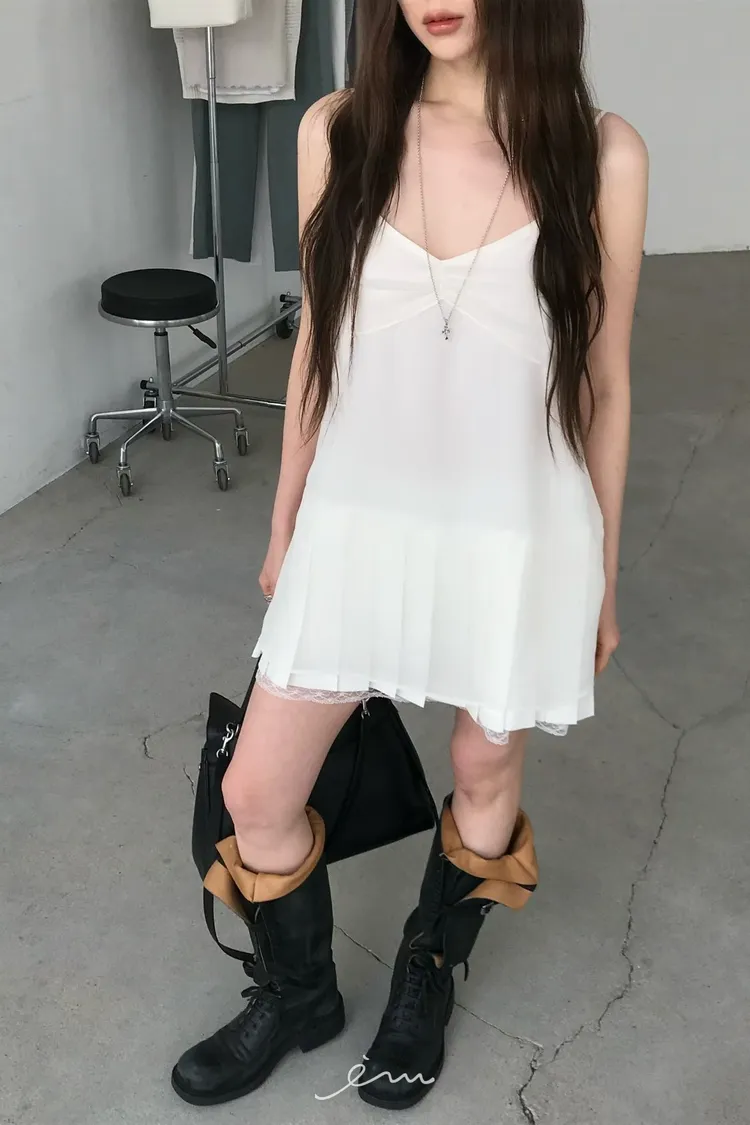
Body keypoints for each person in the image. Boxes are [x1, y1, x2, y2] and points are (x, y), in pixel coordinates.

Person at [171, 0, 648, 1110]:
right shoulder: (339, 132)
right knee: (256, 788)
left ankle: (424, 972)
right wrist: (285, 523)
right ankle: (299, 994)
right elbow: (317, 352)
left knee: (483, 767)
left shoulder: (599, 154)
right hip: (358, 521)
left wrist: (605, 574)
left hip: (518, 531)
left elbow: (605, 384)